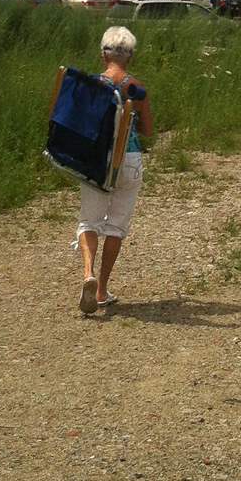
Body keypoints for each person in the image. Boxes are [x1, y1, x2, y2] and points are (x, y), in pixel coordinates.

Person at [78, 25, 152, 315]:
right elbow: (146, 130)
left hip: (95, 160)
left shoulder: (89, 86)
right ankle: (101, 290)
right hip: (128, 158)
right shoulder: (137, 89)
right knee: (116, 226)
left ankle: (87, 273)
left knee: (89, 221)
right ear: (130, 57)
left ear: (103, 54)